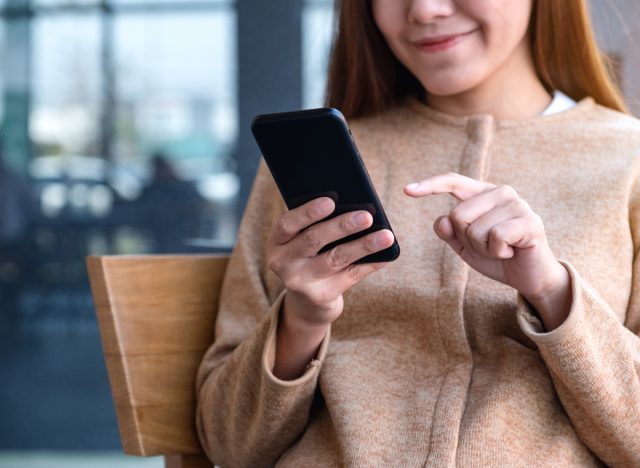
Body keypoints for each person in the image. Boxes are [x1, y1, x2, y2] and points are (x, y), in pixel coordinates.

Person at [196, 1, 640, 466]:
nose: (425, 10)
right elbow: (230, 444)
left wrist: (552, 292)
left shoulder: (627, 162)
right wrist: (303, 319)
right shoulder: (302, 177)